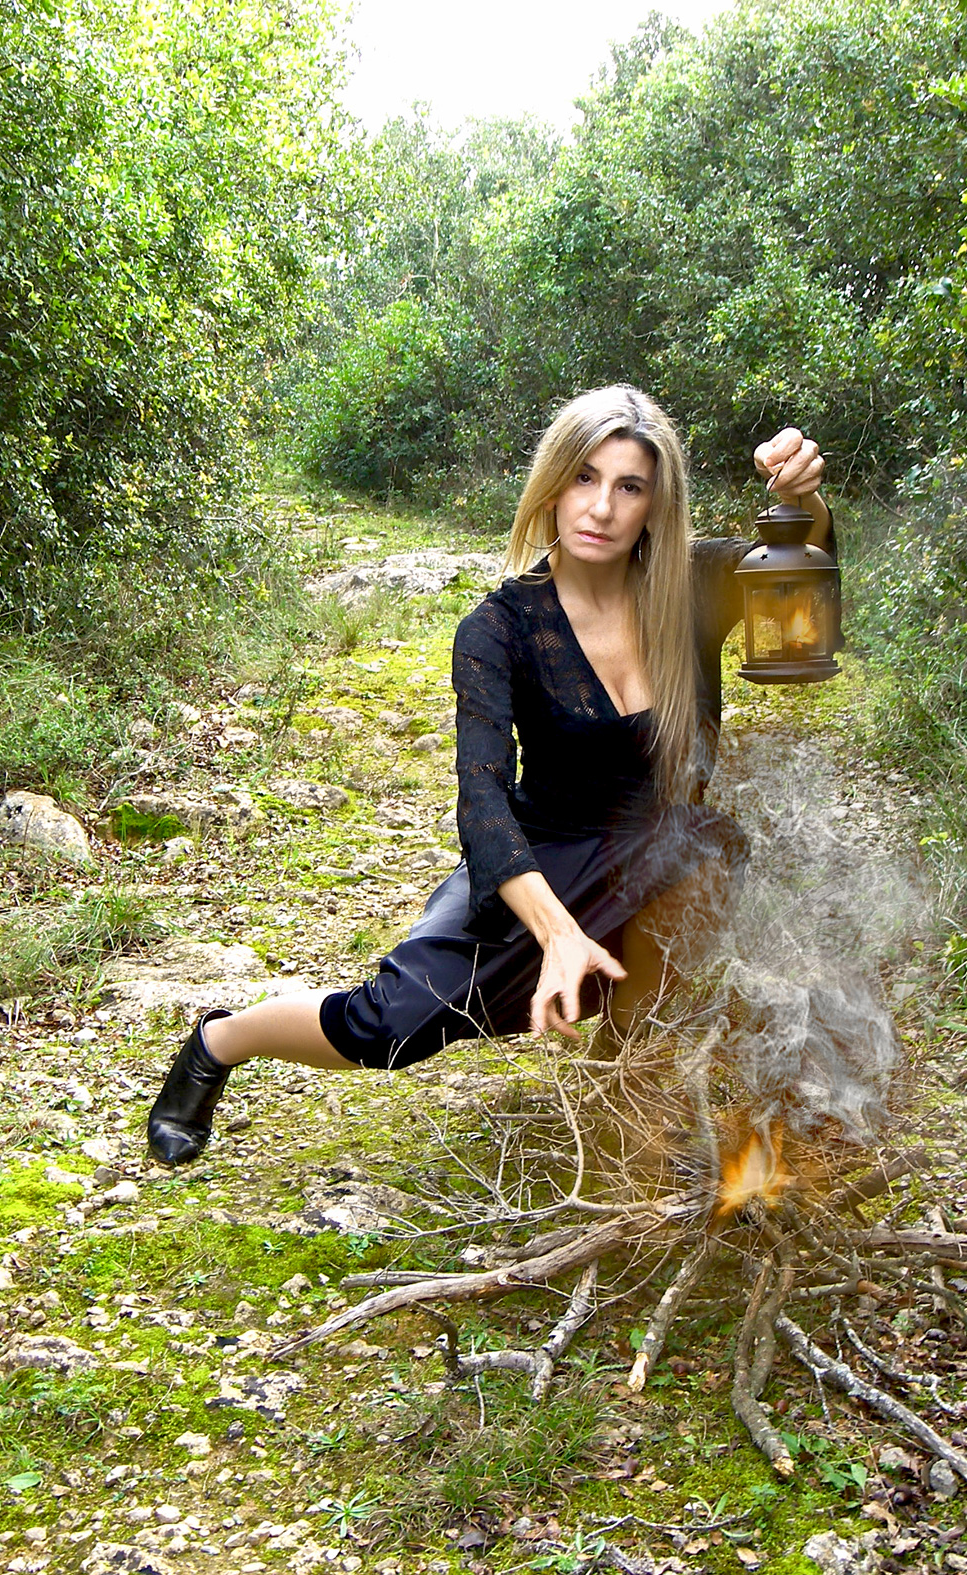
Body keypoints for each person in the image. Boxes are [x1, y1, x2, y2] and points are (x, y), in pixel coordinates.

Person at [147, 385, 828, 1165]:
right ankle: (219, 1041)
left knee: (700, 860)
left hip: (656, 850)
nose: (601, 507)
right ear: (552, 483)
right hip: (537, 861)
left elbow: (802, 566)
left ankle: (624, 1093)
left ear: (654, 504)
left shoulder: (693, 585)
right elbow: (482, 802)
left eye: (629, 486)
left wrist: (805, 499)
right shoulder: (499, 629)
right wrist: (557, 930)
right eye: (584, 477)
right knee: (387, 1026)